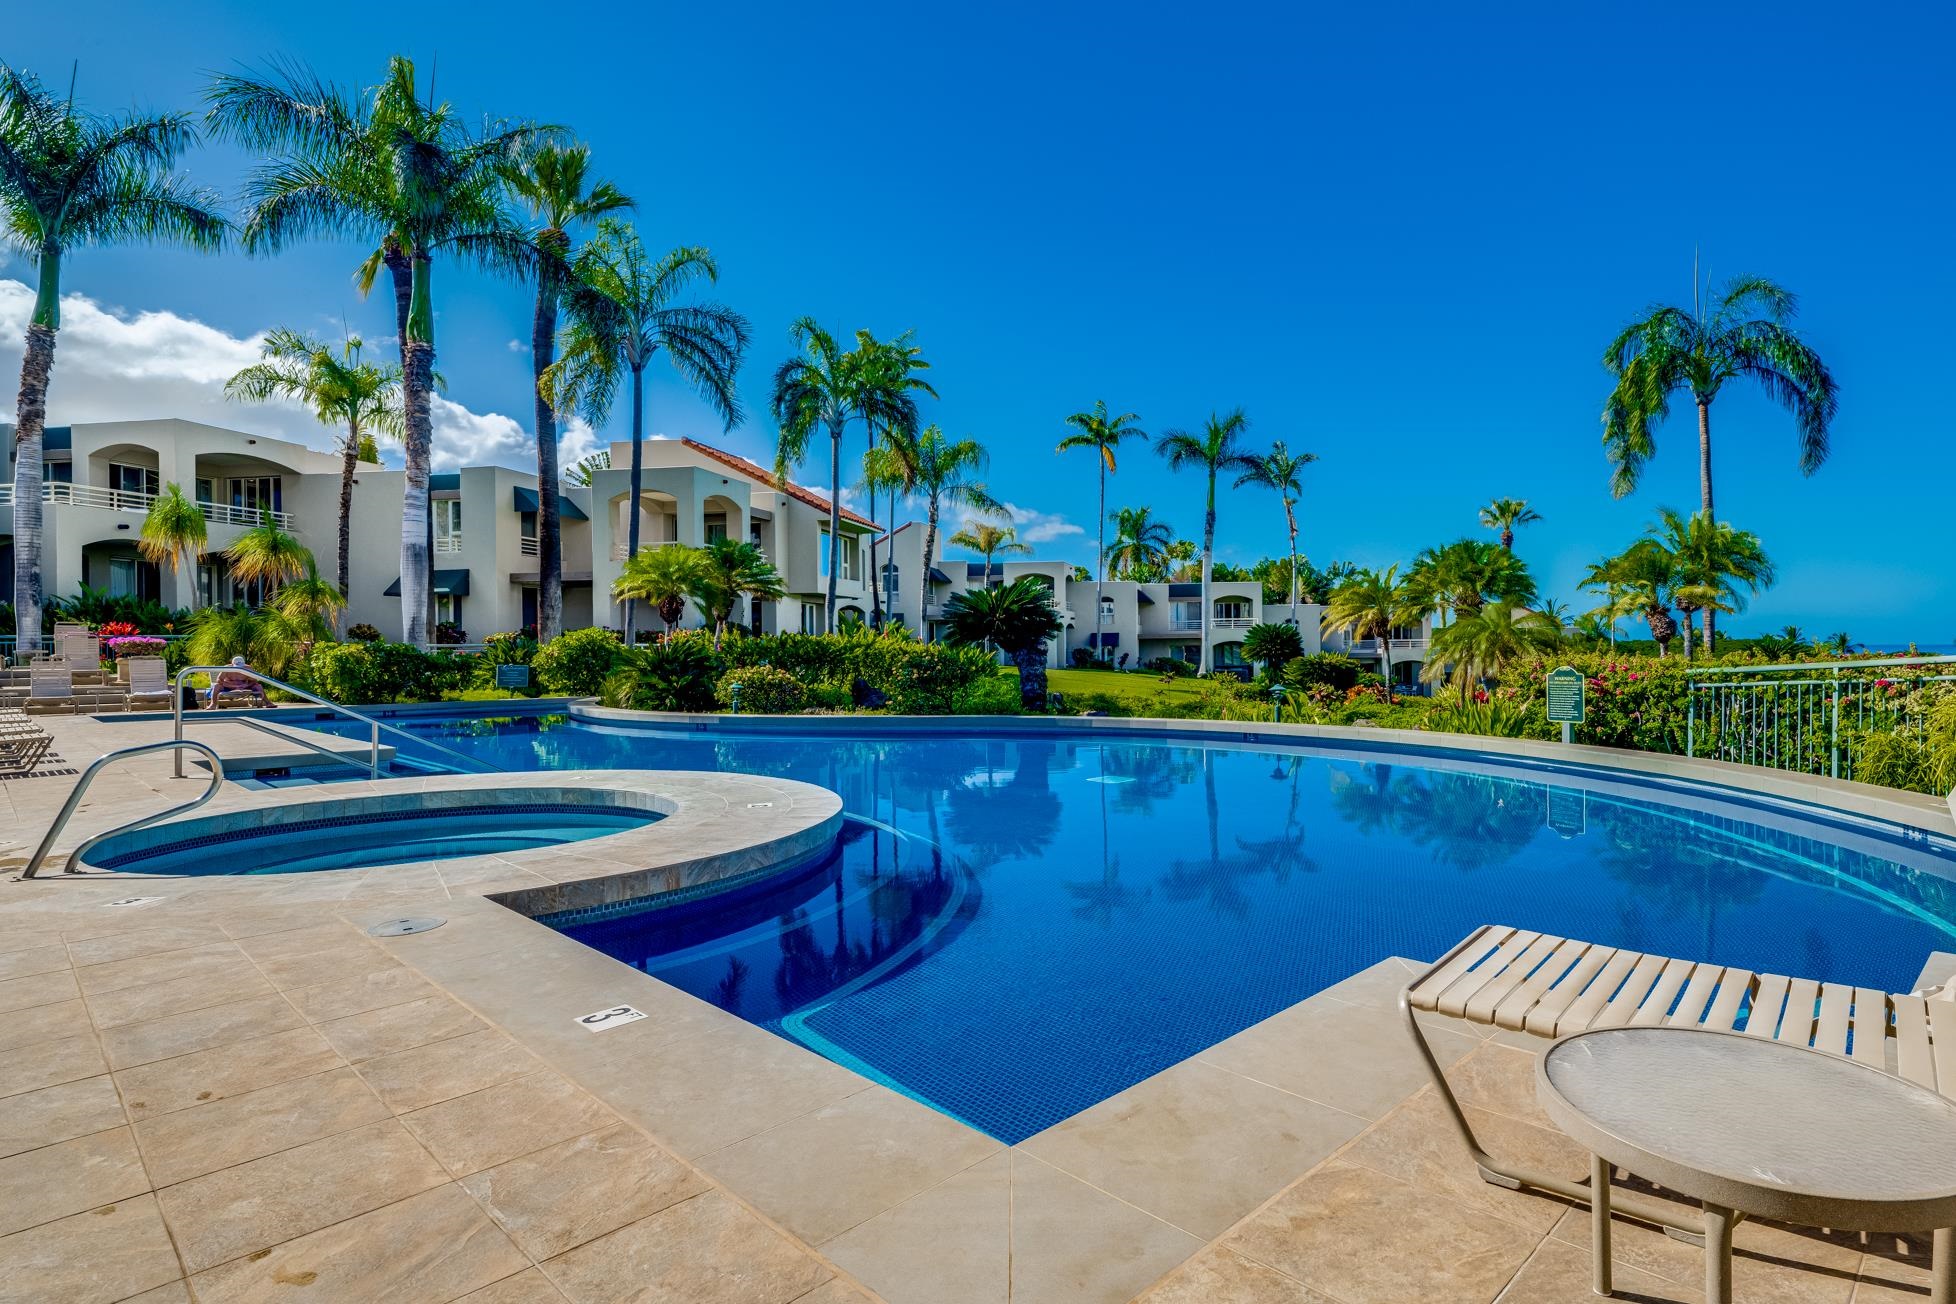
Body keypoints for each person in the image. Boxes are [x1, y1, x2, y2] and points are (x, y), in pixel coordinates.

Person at [205, 657, 269, 708]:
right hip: (228, 687)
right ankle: (213, 704)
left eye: (241, 667)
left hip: (244, 687)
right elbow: (219, 680)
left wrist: (246, 685)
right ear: (232, 664)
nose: (239, 669)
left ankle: (268, 703)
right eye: (237, 667)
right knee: (216, 686)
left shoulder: (248, 669)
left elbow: (254, 681)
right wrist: (231, 685)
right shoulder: (227, 668)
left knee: (258, 686)